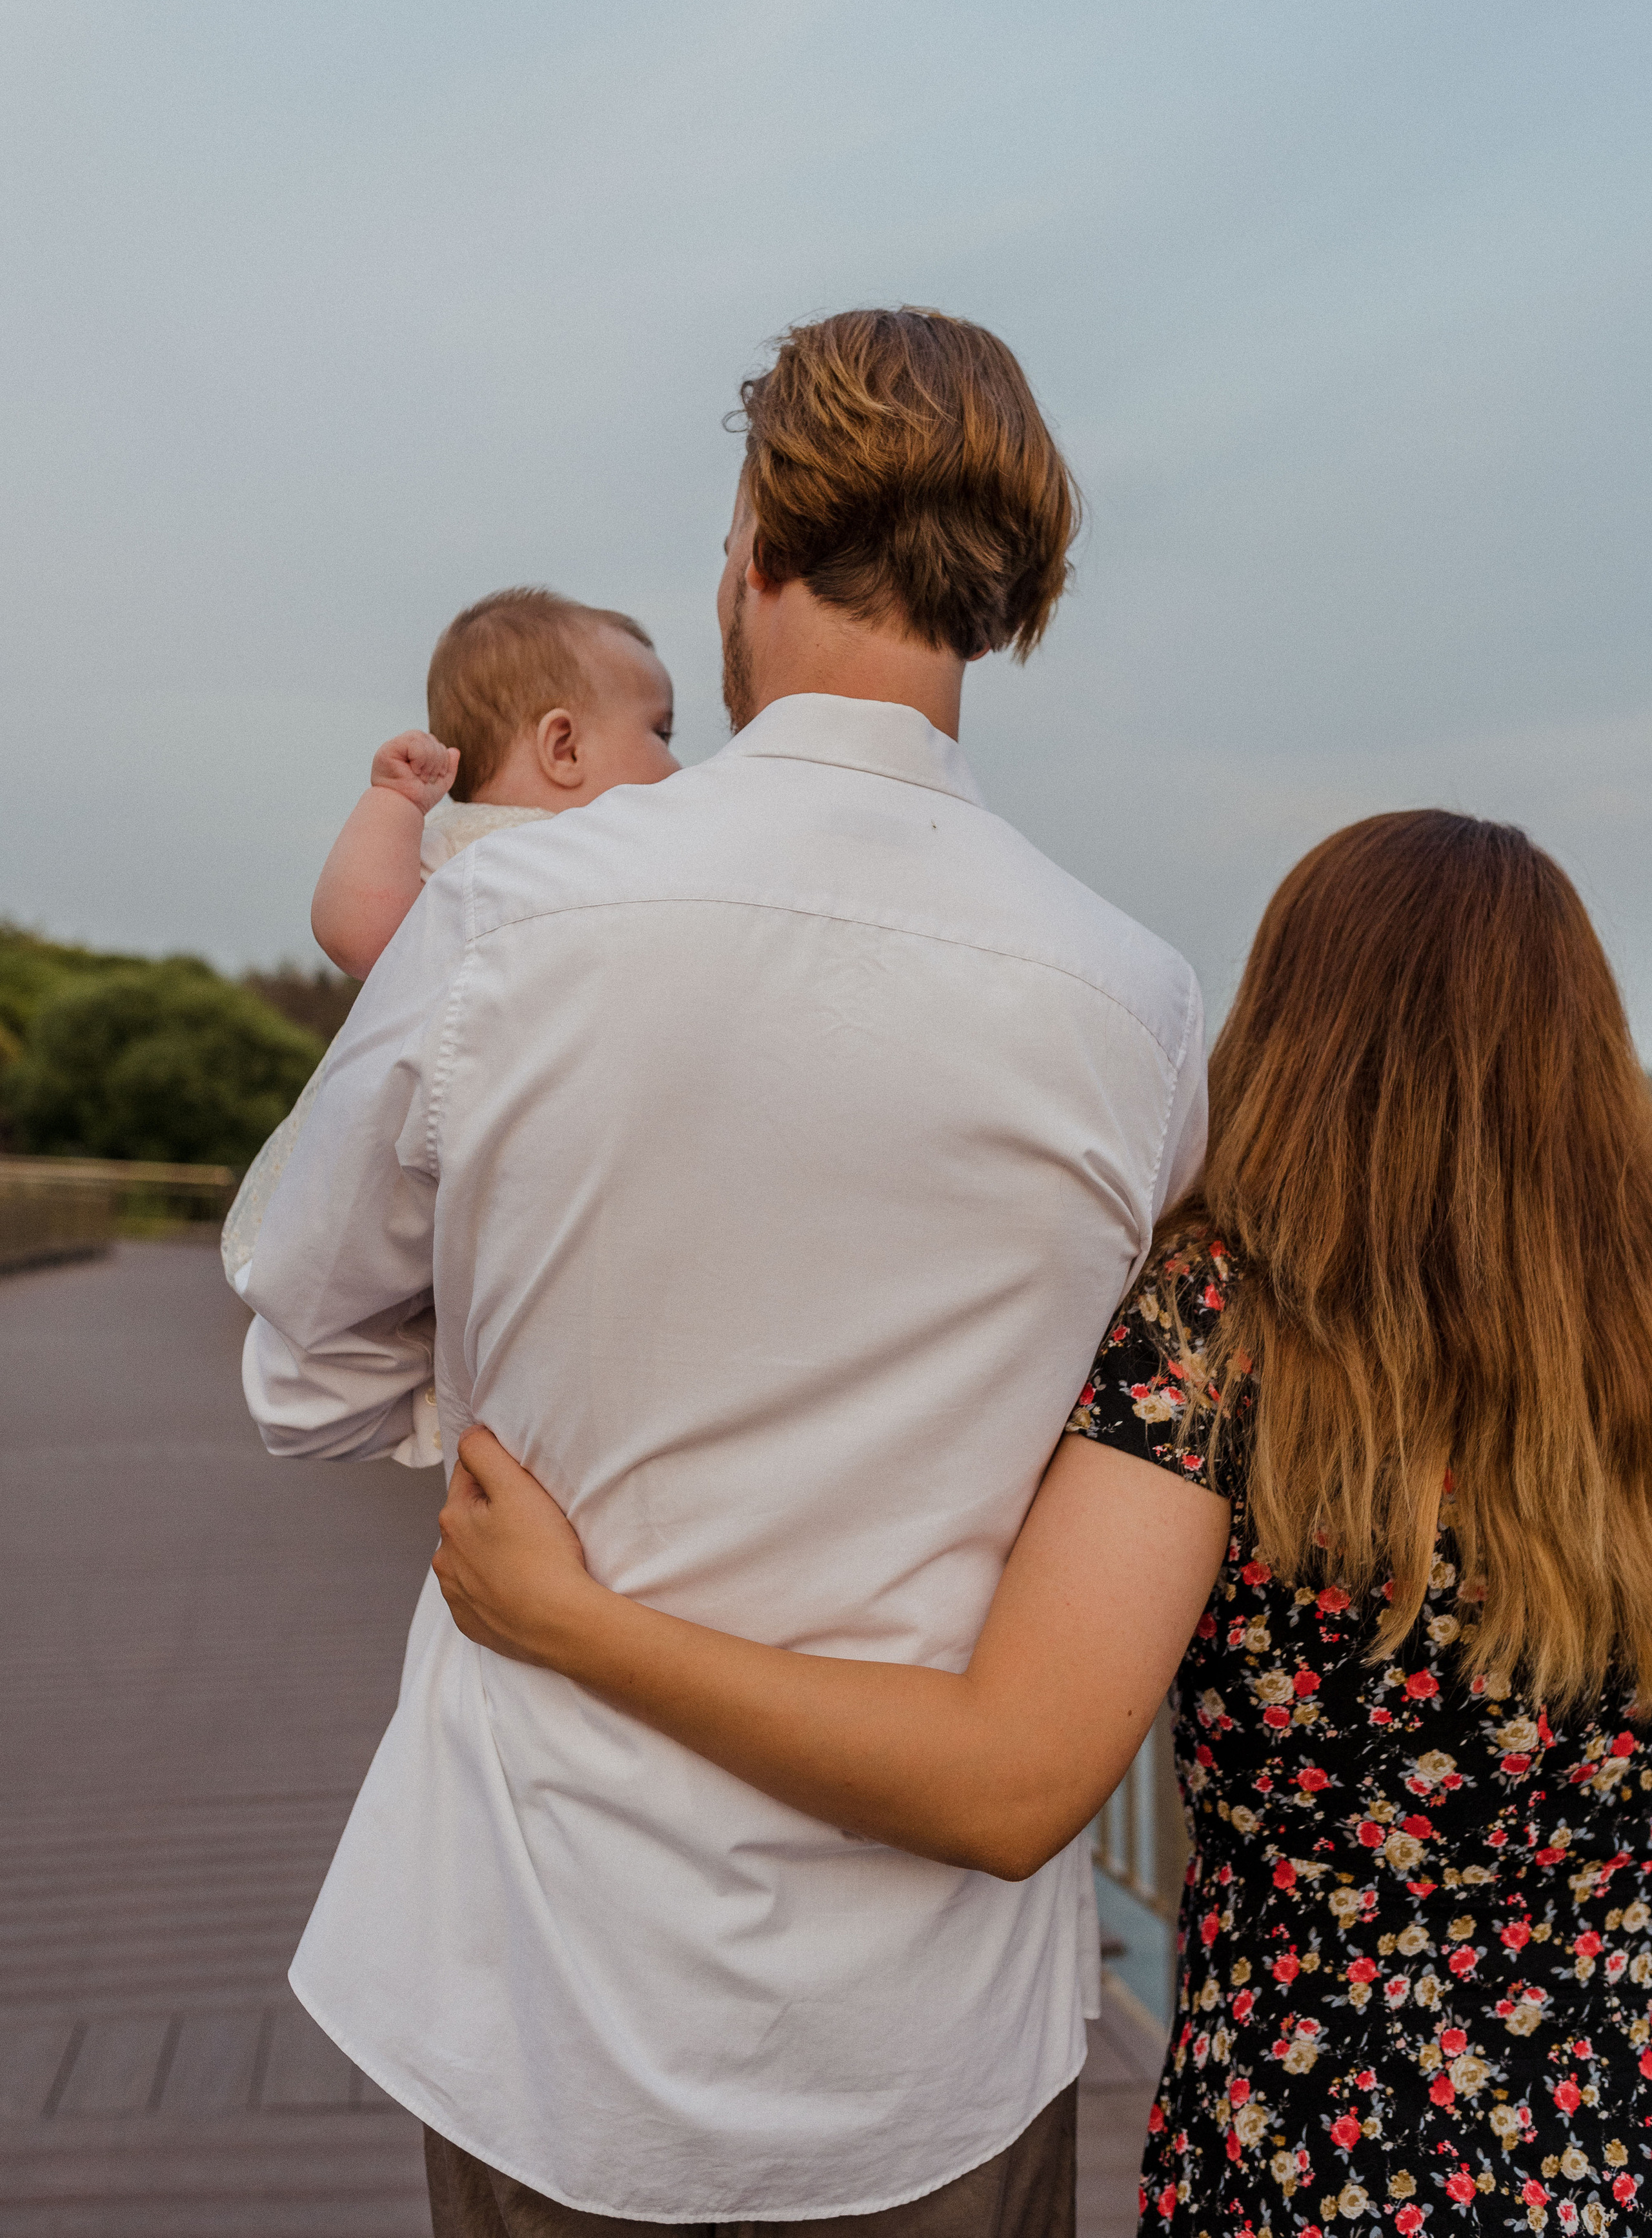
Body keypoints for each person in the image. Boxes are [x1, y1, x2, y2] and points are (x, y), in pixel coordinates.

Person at [236, 305, 1206, 2235]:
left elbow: (306, 1364)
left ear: (753, 538)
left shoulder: (507, 910)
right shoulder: (1140, 1005)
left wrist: (516, 1363)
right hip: (926, 2038)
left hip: (553, 1980)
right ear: (1006, 596)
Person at [435, 810, 1652, 2233]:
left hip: (1318, 2156)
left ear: (1295, 1030)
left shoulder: (1223, 1334)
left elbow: (1006, 1787)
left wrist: (573, 1623)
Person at [220, 587, 678, 1328]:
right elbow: (358, 935)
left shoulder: (631, 863)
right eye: (661, 730)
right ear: (563, 747)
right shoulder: (465, 847)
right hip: (429, 1158)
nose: (679, 763)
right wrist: (395, 805)